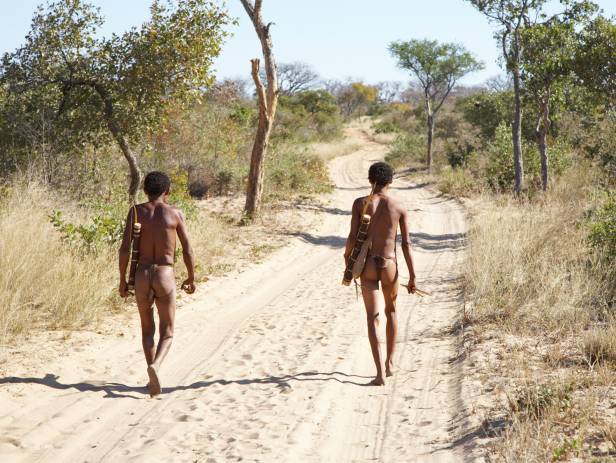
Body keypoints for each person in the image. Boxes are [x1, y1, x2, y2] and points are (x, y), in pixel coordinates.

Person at [119, 171, 196, 397]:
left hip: (142, 275)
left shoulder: (136, 212)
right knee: (168, 331)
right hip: (164, 274)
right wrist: (191, 276)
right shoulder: (175, 214)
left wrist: (122, 279)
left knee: (147, 329)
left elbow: (124, 249)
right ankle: (157, 366)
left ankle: (151, 378)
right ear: (168, 191)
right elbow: (188, 250)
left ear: (145, 190)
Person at [344, 162, 417, 386]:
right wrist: (413, 276)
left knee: (371, 318)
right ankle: (390, 363)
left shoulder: (360, 204)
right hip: (390, 265)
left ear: (370, 180)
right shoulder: (399, 207)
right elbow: (406, 244)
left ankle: (379, 374)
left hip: (367, 266)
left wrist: (348, 260)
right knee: (391, 312)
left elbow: (353, 238)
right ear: (391, 181)